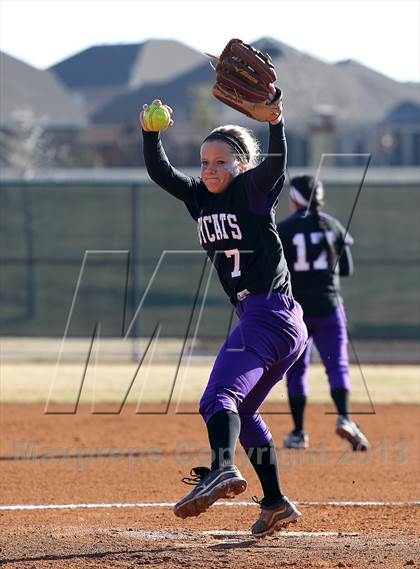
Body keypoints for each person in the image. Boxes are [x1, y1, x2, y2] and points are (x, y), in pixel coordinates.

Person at [140, 94, 308, 539]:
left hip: (268, 314)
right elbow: (162, 174)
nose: (210, 170)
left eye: (221, 162)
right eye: (205, 162)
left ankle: (221, 468)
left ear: (241, 165)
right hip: (276, 322)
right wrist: (150, 134)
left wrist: (277, 123)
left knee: (217, 399)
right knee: (246, 411)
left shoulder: (253, 191)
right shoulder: (199, 198)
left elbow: (275, 164)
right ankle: (275, 504)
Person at [277, 175, 370, 451]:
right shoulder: (332, 224)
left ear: (294, 199)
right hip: (330, 306)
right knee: (338, 365)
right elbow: (346, 270)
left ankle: (298, 432)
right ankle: (344, 417)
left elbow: (279, 270)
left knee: (296, 369)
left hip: (299, 310)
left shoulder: (286, 229)